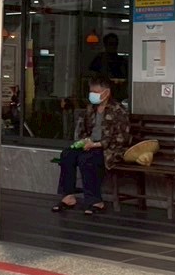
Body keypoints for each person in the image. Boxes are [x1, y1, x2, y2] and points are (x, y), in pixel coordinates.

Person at [52, 73, 130, 214]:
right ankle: (68, 196)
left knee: (87, 159)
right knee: (67, 155)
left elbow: (121, 138)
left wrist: (97, 144)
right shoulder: (90, 109)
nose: (92, 95)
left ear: (106, 92)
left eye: (96, 92)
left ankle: (95, 201)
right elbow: (83, 130)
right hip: (89, 145)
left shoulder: (118, 110)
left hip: (109, 149)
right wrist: (84, 141)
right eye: (91, 91)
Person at [88, 33, 129, 101]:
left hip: (118, 94)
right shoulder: (99, 59)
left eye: (115, 44)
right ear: (105, 45)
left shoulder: (122, 61)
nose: (113, 47)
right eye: (111, 44)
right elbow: (93, 75)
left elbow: (126, 77)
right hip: (102, 93)